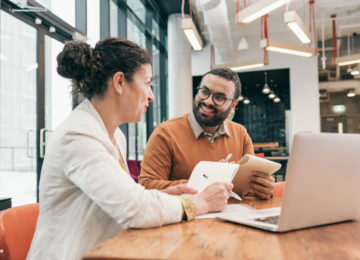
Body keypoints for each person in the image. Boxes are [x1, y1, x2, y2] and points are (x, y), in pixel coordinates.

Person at [27, 38, 233, 260]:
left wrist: (162, 195)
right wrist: (198, 203)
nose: (151, 95)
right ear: (119, 82)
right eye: (147, 83)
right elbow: (134, 209)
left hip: (105, 250)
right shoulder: (77, 135)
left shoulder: (115, 135)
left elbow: (118, 198)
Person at [139, 68, 274, 199]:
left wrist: (262, 189)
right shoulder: (165, 133)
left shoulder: (241, 134)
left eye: (219, 97)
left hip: (232, 217)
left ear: (233, 106)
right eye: (204, 92)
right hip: (187, 219)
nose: (208, 101)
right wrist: (207, 182)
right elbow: (147, 186)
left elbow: (247, 191)